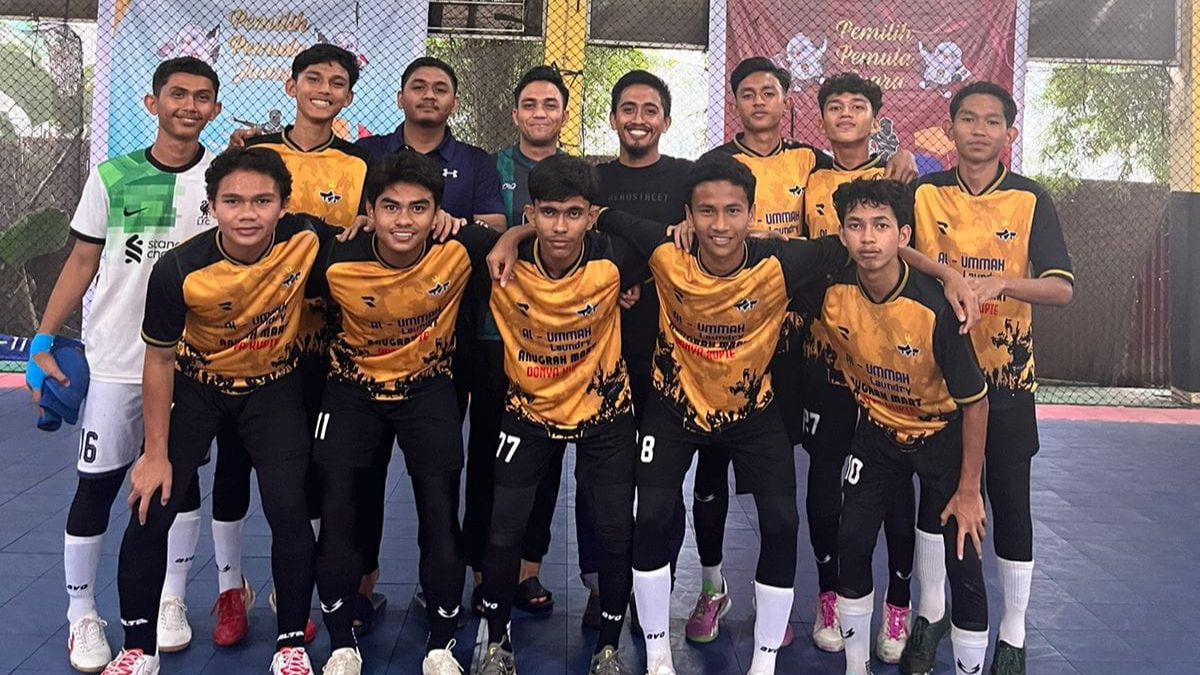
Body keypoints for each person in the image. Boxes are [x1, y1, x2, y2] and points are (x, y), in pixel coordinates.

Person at [629, 155, 973, 675]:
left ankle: (764, 663)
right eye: (706, 212)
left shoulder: (783, 261)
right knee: (652, 515)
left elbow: (872, 246)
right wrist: (511, 239)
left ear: (751, 214)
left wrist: (946, 272)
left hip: (753, 409)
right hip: (674, 408)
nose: (720, 224)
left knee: (783, 521)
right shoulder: (662, 248)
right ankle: (658, 657)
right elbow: (598, 217)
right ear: (688, 216)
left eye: (732, 211)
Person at [103, 147, 334, 675]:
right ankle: (138, 648)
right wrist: (155, 454)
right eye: (233, 201)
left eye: (262, 201)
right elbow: (159, 360)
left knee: (290, 509)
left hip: (273, 389)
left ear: (283, 205)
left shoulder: (306, 238)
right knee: (150, 502)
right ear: (212, 206)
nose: (247, 213)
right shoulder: (179, 269)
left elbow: (372, 236)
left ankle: (290, 643)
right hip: (198, 388)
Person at [25, 56, 221, 671]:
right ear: (153, 103)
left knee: (181, 482)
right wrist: (42, 338)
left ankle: (170, 600)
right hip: (116, 361)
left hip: (191, 362)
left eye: (202, 97)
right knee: (97, 488)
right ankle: (81, 614)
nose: (189, 106)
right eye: (177, 94)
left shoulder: (222, 178)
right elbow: (82, 261)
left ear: (215, 108)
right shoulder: (112, 176)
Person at [904, 81, 1074, 675]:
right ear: (949, 128)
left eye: (992, 121)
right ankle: (930, 615)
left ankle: (1014, 632)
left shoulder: (1030, 198)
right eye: (968, 119)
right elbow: (893, 247)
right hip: (934, 377)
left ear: (1009, 133)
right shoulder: (923, 193)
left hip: (1007, 380)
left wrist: (1003, 283)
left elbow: (1061, 287)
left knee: (1009, 502)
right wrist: (946, 275)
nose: (979, 130)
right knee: (936, 498)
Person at [309, 151, 498, 675]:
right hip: (351, 392)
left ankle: (441, 644)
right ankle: (341, 643)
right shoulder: (336, 254)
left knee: (439, 512)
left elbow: (522, 236)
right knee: (339, 511)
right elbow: (281, 229)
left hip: (427, 390)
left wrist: (499, 237)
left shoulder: (460, 246)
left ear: (437, 212)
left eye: (419, 208)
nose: (404, 220)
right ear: (370, 211)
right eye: (390, 207)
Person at [477, 155, 668, 675]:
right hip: (529, 409)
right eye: (549, 213)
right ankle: (496, 644)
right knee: (504, 527)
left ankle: (607, 648)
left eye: (574, 214)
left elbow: (666, 240)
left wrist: (607, 220)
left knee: (615, 528)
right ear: (531, 213)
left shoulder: (615, 256)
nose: (560, 227)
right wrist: (510, 238)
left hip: (604, 411)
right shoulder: (498, 259)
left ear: (590, 216)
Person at [803, 178, 991, 675]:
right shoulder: (829, 287)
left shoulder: (936, 307)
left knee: (963, 559)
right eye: (856, 226)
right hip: (877, 433)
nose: (868, 238)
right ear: (842, 235)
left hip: (942, 435)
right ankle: (856, 666)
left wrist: (969, 490)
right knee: (852, 540)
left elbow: (976, 404)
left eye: (881, 226)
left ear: (903, 235)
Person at [214, 42, 369, 646]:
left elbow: (363, 242)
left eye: (337, 82)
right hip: (245, 341)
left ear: (348, 96)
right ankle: (230, 590)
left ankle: (292, 587)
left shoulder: (358, 166)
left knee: (307, 470)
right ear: (291, 85)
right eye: (314, 78)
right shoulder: (254, 153)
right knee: (233, 468)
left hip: (319, 344)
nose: (324, 90)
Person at [356, 55, 505, 613]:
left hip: (452, 332)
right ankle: (363, 581)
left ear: (453, 103)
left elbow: (495, 226)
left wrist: (454, 224)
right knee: (365, 464)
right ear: (400, 98)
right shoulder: (367, 154)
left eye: (440, 88)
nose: (428, 95)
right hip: (373, 337)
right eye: (417, 86)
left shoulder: (474, 161)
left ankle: (447, 579)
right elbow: (353, 217)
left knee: (445, 469)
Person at [798, 72, 916, 660]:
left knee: (890, 487)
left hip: (887, 364)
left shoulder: (899, 178)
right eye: (835, 106)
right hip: (824, 357)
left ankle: (898, 604)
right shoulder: (808, 177)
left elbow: (912, 254)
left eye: (858, 105)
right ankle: (828, 595)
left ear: (875, 117)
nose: (846, 114)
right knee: (824, 487)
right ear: (821, 118)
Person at [462, 65, 571, 617]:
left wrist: (520, 230)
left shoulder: (575, 173)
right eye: (529, 104)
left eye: (549, 104)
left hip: (555, 340)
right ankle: (484, 569)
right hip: (493, 334)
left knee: (545, 457)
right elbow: (479, 235)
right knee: (486, 453)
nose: (539, 113)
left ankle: (529, 568)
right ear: (515, 114)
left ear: (564, 114)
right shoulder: (491, 167)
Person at [588, 68, 692, 631]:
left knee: (660, 480)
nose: (638, 119)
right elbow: (577, 239)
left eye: (650, 110)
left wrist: (641, 276)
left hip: (669, 351)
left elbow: (691, 244)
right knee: (597, 476)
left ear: (666, 122)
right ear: (613, 118)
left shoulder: (686, 178)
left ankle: (656, 582)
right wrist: (617, 278)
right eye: (628, 108)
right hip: (598, 350)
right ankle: (601, 586)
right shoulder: (594, 178)